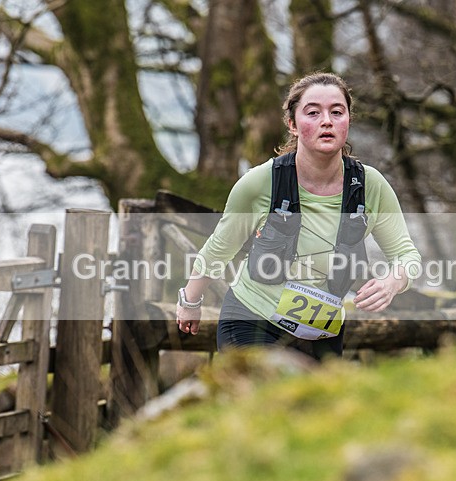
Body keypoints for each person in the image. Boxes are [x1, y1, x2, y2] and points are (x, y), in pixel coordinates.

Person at [176, 72, 421, 360]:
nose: (326, 121)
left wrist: (393, 282)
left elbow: (407, 256)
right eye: (313, 113)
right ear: (292, 124)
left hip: (321, 331)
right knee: (263, 400)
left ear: (348, 121)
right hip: (252, 319)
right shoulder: (261, 182)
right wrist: (190, 301)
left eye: (337, 112)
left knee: (317, 406)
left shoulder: (371, 186)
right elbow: (220, 248)